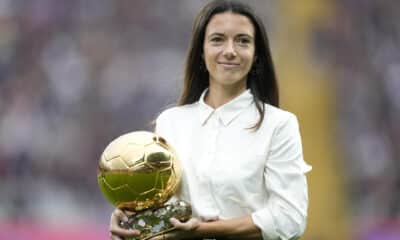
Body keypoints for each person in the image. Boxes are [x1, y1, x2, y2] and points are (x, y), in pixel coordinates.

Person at [110, 0, 312, 239]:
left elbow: (291, 219)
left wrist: (204, 231)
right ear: (201, 52)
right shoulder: (171, 122)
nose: (230, 50)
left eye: (242, 40)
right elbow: (164, 207)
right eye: (217, 39)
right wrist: (133, 216)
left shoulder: (279, 125)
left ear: (256, 55)